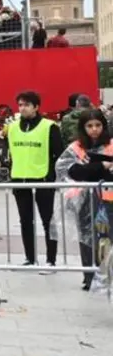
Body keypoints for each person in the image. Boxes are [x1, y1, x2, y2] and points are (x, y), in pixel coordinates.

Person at [55, 108, 113, 291]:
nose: (94, 129)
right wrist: (101, 166)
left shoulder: (111, 145)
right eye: (90, 126)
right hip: (85, 201)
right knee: (87, 240)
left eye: (98, 125)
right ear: (83, 127)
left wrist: (90, 169)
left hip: (109, 200)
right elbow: (71, 171)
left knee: (108, 239)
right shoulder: (76, 148)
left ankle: (107, 275)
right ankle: (90, 276)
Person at [5, 91, 64, 268]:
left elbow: (59, 154)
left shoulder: (49, 126)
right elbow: (12, 153)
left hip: (43, 179)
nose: (22, 108)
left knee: (48, 220)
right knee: (25, 220)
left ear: (36, 107)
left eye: (26, 105)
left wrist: (53, 177)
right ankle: (30, 258)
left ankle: (51, 260)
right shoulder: (13, 127)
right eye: (20, 105)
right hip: (20, 178)